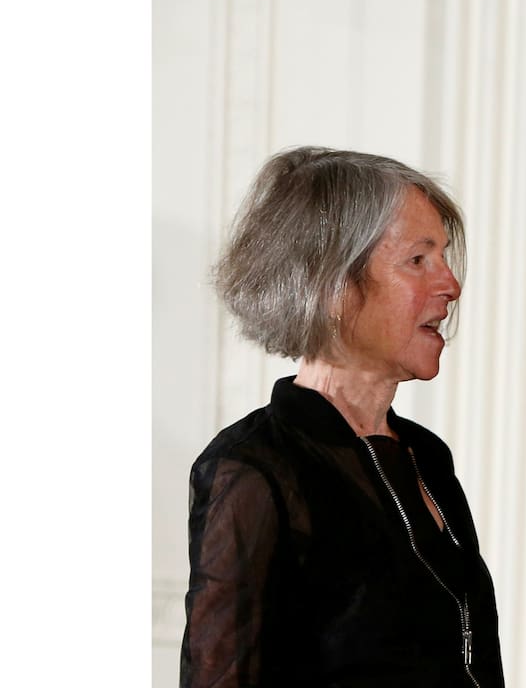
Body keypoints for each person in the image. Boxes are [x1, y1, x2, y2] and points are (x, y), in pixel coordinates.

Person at [181, 147, 504, 687]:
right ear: (331, 282)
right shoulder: (254, 469)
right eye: (418, 260)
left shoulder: (426, 456)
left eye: (444, 257)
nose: (451, 285)